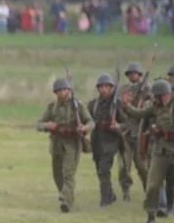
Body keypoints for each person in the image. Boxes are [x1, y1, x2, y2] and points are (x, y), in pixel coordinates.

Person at [36, 77, 90, 212]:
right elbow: (38, 124)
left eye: (64, 90)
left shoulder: (78, 105)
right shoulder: (52, 107)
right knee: (57, 174)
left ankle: (65, 200)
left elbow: (91, 122)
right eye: (59, 90)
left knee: (68, 173)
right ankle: (66, 196)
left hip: (72, 143)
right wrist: (47, 125)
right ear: (55, 92)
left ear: (69, 90)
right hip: (57, 144)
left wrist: (84, 128)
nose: (62, 93)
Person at [124, 80, 174, 223]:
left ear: (167, 94)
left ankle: (170, 208)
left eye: (159, 96)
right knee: (152, 184)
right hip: (160, 152)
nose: (157, 99)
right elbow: (139, 114)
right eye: (156, 97)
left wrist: (164, 131)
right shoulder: (154, 106)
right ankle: (151, 214)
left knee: (172, 184)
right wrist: (127, 105)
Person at [87, 73, 126, 207]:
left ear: (111, 88)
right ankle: (110, 194)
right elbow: (87, 120)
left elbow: (127, 123)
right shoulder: (93, 104)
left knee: (104, 168)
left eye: (106, 87)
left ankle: (105, 199)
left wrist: (118, 126)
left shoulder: (117, 104)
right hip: (97, 139)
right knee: (99, 168)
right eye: (101, 87)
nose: (104, 89)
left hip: (111, 140)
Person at [124, 62, 152, 190]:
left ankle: (148, 189)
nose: (132, 75)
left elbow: (149, 108)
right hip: (126, 132)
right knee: (124, 166)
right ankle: (126, 191)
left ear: (139, 75)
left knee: (142, 167)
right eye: (130, 73)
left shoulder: (147, 89)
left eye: (135, 73)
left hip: (140, 132)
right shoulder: (123, 89)